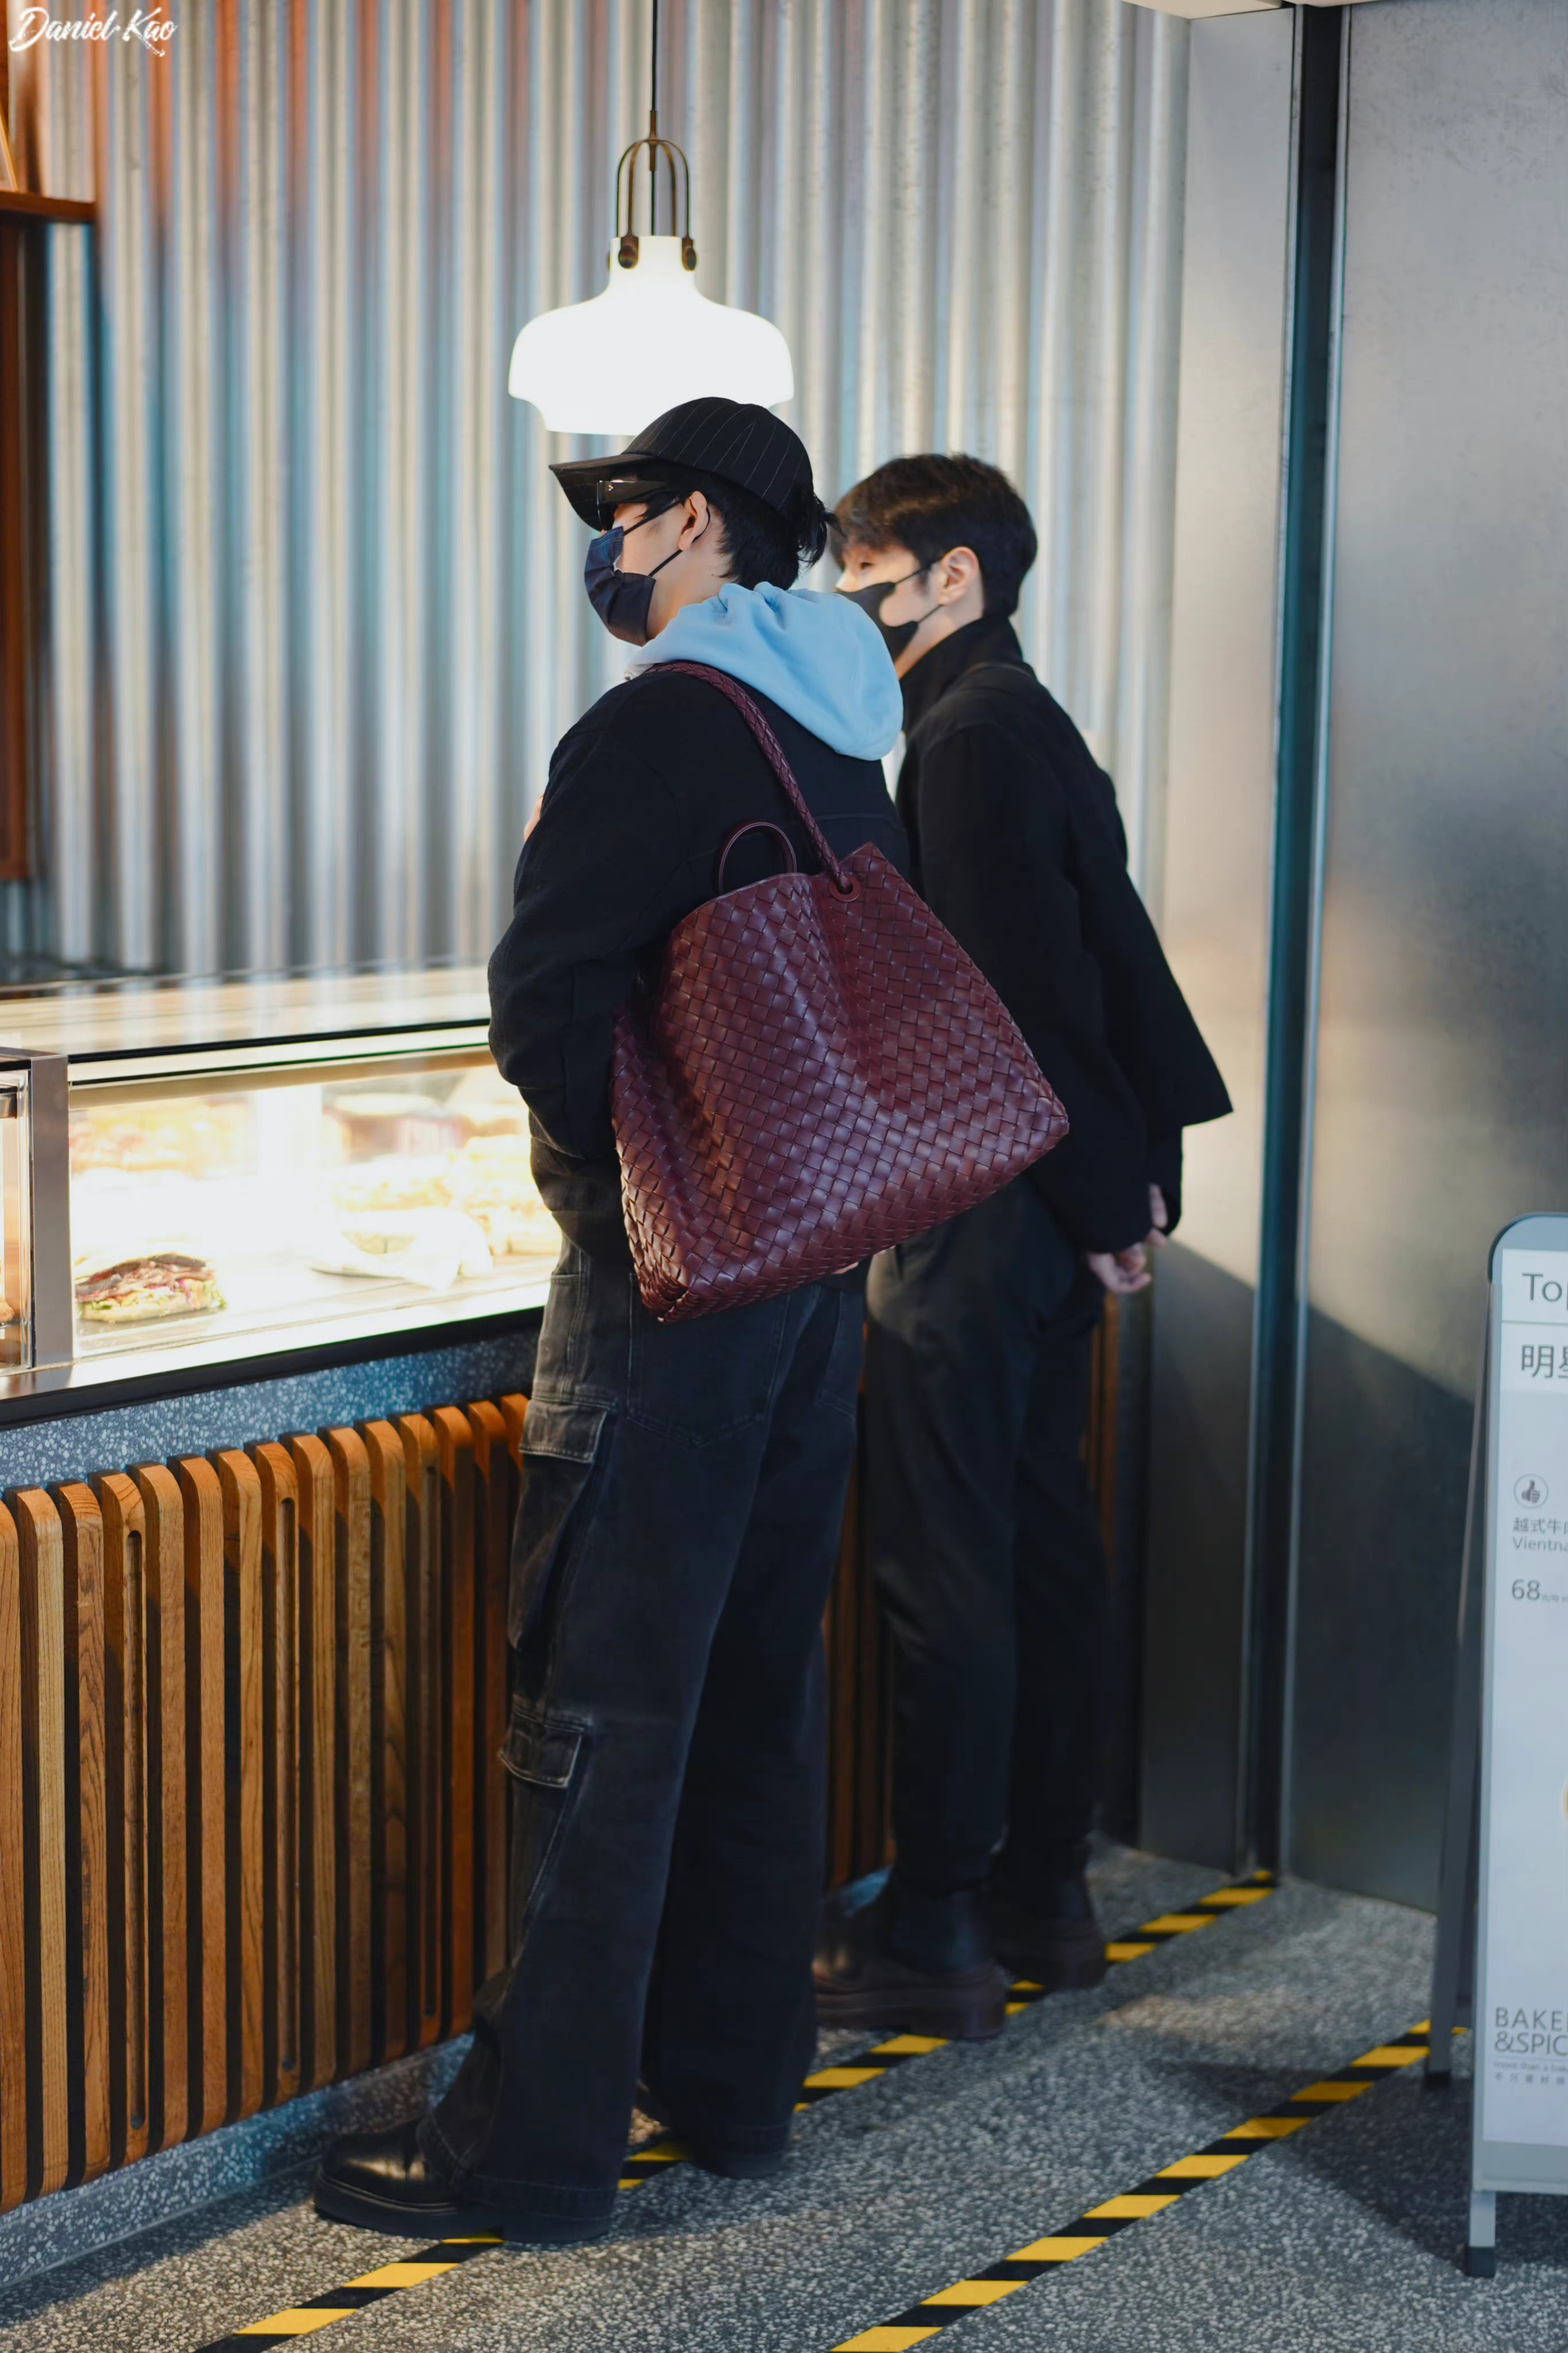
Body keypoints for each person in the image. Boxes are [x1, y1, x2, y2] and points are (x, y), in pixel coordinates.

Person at [313, 398, 906, 2241]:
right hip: (815, 1270)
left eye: (633, 511)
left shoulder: (659, 720)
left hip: (676, 1292)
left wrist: (622, 1202)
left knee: (596, 1712)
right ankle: (731, 2088)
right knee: (752, 1696)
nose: (614, 545)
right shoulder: (846, 723)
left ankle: (533, 2151)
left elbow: (545, 997)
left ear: (703, 525)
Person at [815, 453, 1230, 2040]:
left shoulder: (965, 738)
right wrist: (1119, 1194)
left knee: (949, 1567)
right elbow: (1102, 966)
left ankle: (935, 1923)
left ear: (952, 579)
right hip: (1045, 1200)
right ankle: (1042, 1899)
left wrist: (1102, 1205)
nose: (846, 598)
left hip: (983, 1205)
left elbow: (1016, 1004)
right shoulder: (1016, 715)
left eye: (866, 571)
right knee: (1039, 1544)